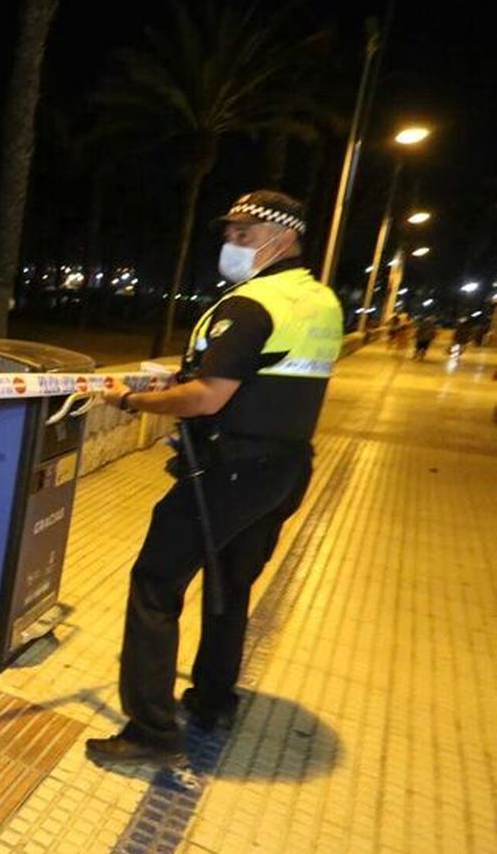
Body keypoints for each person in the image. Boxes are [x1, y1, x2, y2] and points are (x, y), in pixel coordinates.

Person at [86, 190, 342, 765]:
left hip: (229, 472)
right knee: (230, 584)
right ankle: (213, 700)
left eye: (243, 234)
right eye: (229, 233)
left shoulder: (252, 304)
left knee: (156, 583)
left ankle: (150, 733)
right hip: (286, 468)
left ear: (284, 236)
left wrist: (131, 401)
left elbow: (206, 397)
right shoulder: (321, 300)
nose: (230, 243)